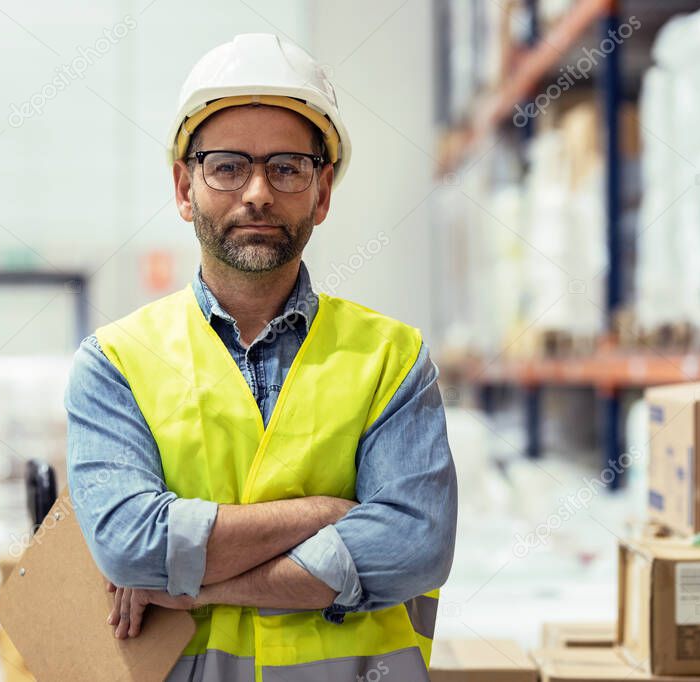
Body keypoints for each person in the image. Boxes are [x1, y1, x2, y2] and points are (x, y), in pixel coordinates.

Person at [65, 32, 457, 681]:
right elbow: (132, 548)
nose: (256, 192)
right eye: (226, 165)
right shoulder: (115, 362)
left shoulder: (392, 357)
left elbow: (410, 547)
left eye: (285, 167)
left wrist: (202, 584)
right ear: (184, 187)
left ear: (321, 191)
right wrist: (327, 514)